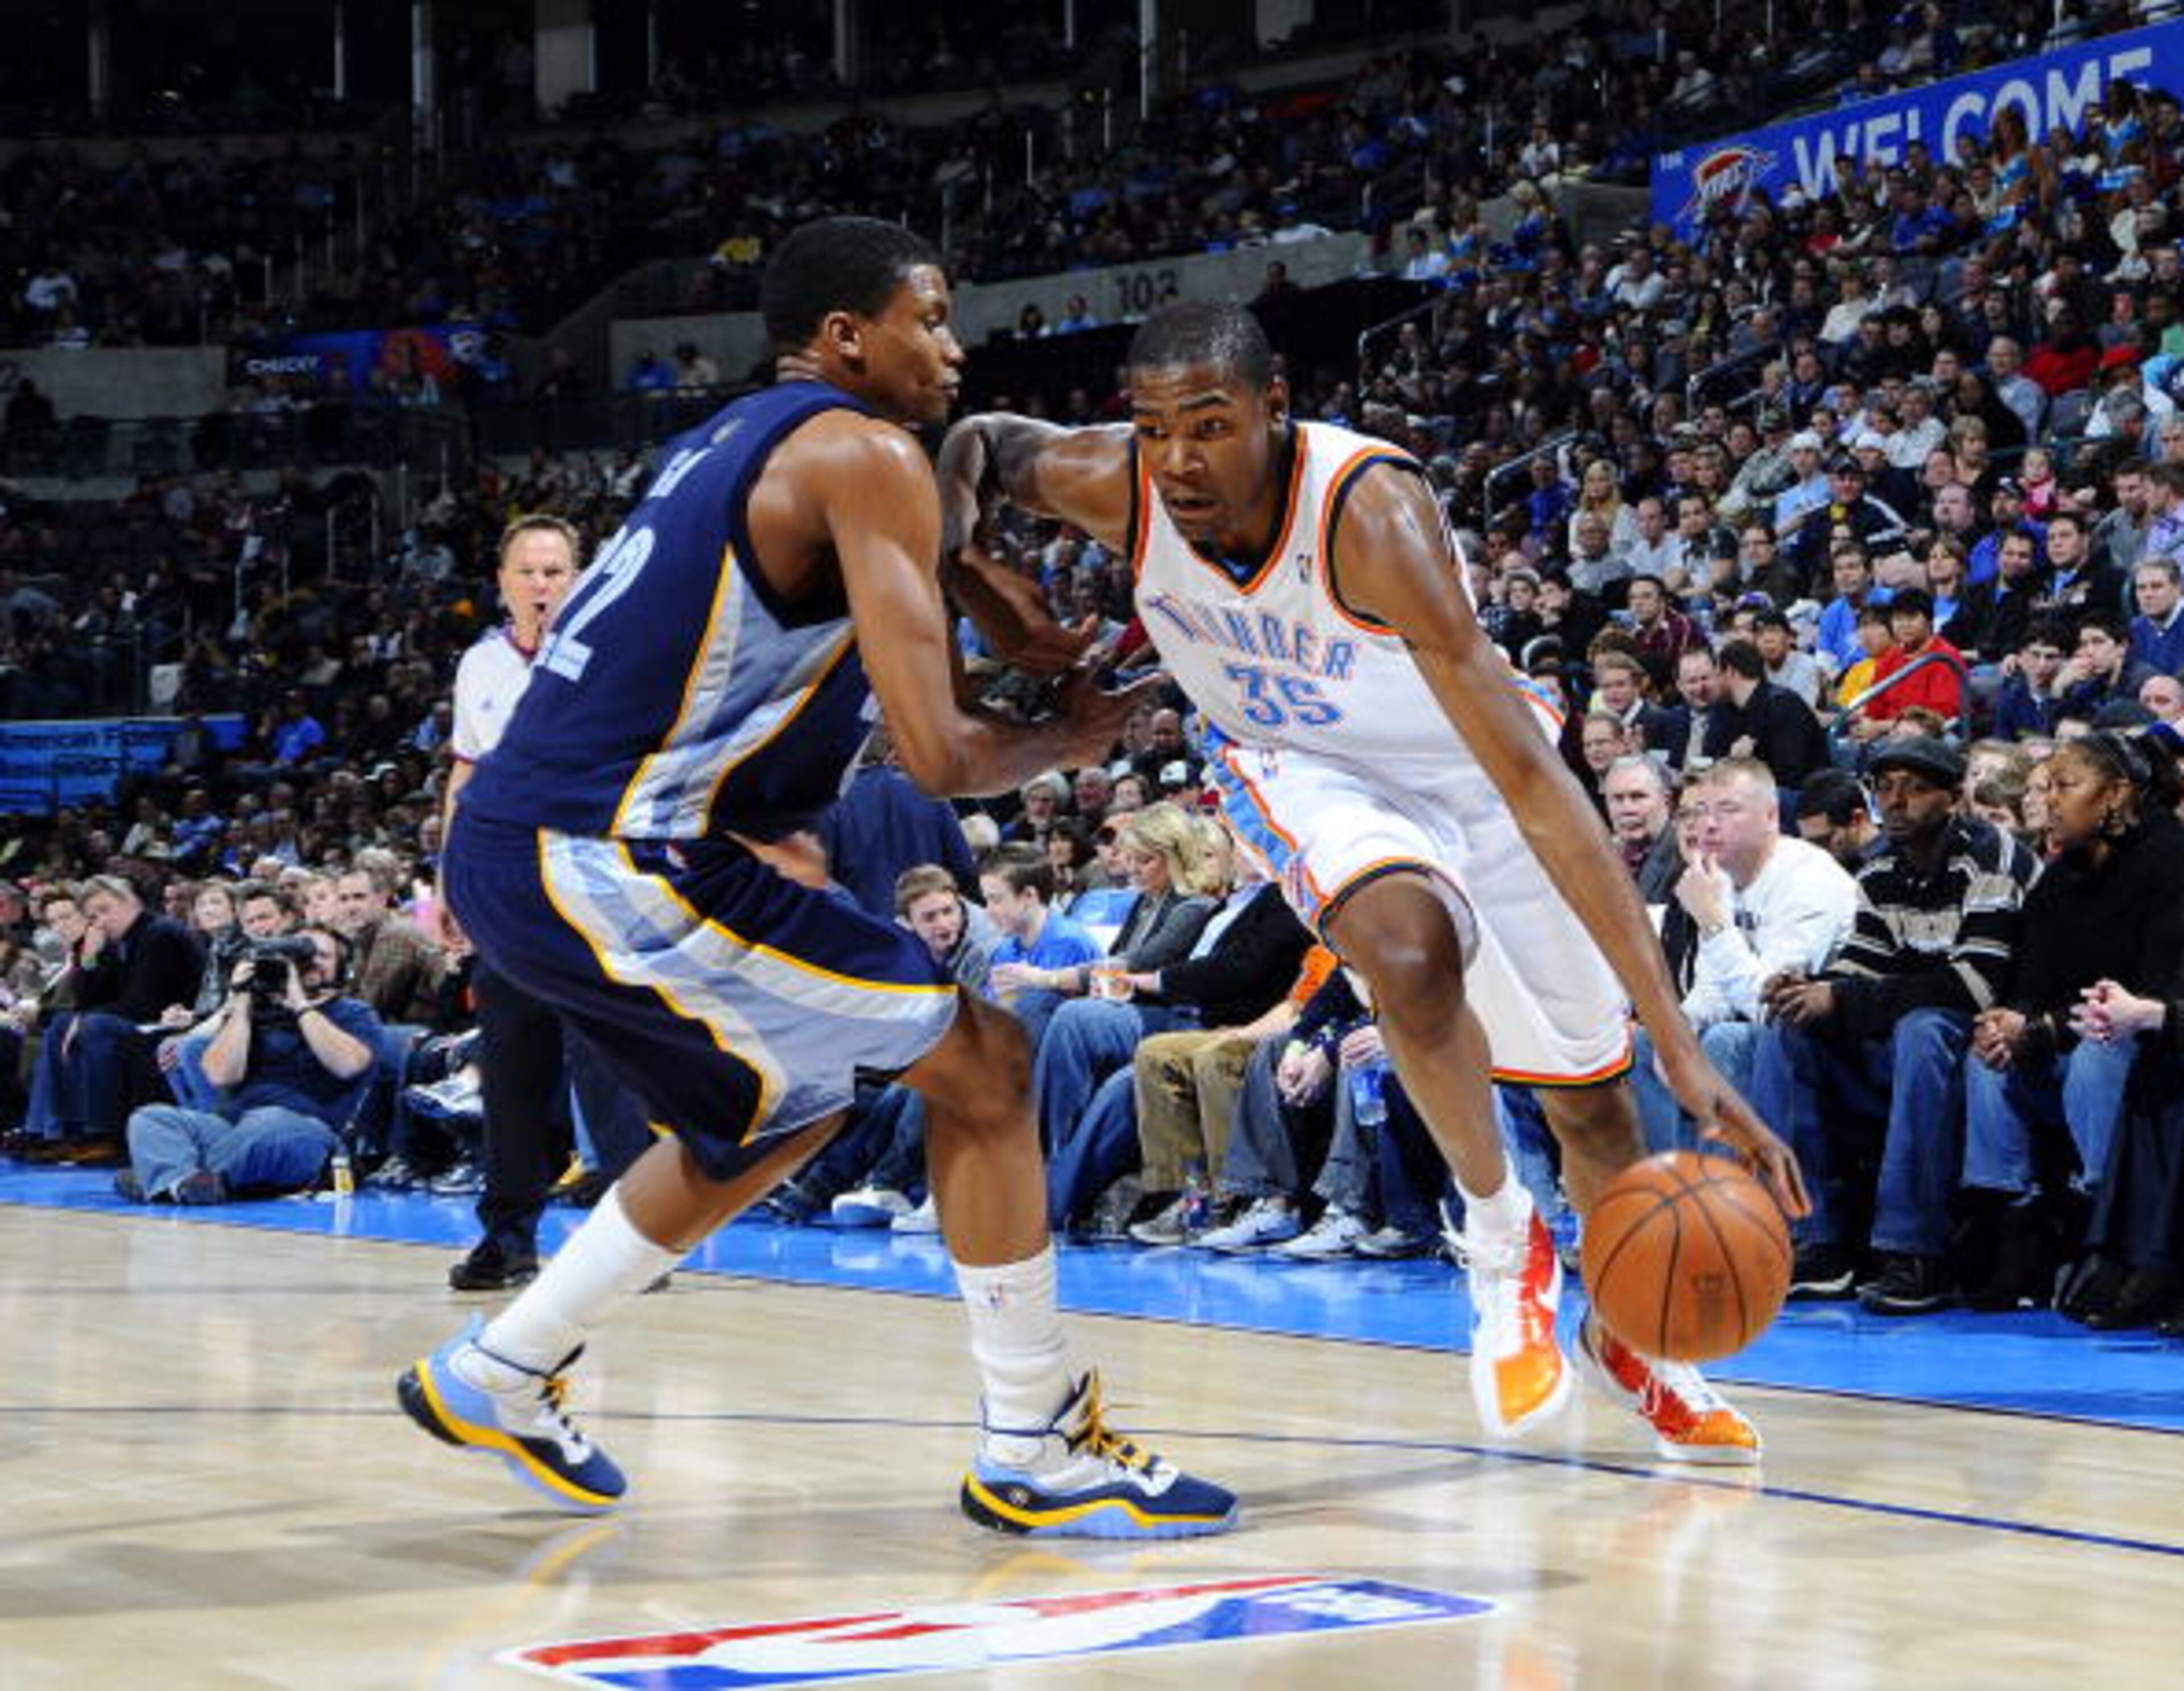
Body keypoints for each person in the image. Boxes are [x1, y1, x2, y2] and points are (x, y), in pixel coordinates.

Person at [398, 217, 1234, 1538]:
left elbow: (916, 544)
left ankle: (500, 1364)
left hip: (529, 844)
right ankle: (1031, 1433)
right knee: (990, 1061)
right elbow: (938, 753)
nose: (957, 349)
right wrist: (1066, 736)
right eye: (932, 318)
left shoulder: (735, 441)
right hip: (610, 850)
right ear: (846, 337)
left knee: (782, 1108)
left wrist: (990, 595)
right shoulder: (858, 452)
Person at [938, 300, 1805, 1466]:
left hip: (1477, 767)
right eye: (1155, 427)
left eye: (1210, 422)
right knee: (1405, 952)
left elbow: (1543, 789)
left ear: (1274, 408)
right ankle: (1504, 1243)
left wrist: (1682, 1046)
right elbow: (975, 443)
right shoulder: (1120, 481)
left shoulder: (1369, 518)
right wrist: (971, 564)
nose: (1180, 457)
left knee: (1595, 1100)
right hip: (1308, 766)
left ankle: (1632, 1337)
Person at [1750, 738, 2038, 1313]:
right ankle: (1819, 1239)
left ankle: (1915, 1250)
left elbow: (1974, 986)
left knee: (1924, 1028)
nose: (1896, 801)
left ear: (1955, 797)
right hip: (1916, 1034)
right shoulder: (1881, 866)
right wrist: (1811, 987)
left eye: (1916, 787)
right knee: (1789, 1028)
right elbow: (1863, 961)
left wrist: (1844, 996)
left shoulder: (1992, 857)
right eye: (1884, 787)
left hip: (2001, 1040)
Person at [442, 513, 632, 1294]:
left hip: (594, 881)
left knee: (611, 1062)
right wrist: (452, 878)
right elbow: (464, 776)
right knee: (511, 1066)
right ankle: (509, 1235)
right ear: (503, 583)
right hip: (510, 886)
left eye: (556, 571)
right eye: (529, 571)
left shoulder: (616, 655)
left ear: (579, 580)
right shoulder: (480, 665)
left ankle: (630, 1239)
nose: (543, 584)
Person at [115, 927, 380, 1204]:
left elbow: (349, 1065)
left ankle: (167, 1177)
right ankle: (186, 1184)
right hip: (233, 1127)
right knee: (152, 1118)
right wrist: (240, 1001)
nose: (310, 962)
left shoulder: (353, 1013)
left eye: (322, 956)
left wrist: (300, 1005)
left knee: (268, 1123)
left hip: (308, 1133)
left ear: (341, 967)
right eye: (300, 955)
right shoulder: (256, 1011)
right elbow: (220, 1076)